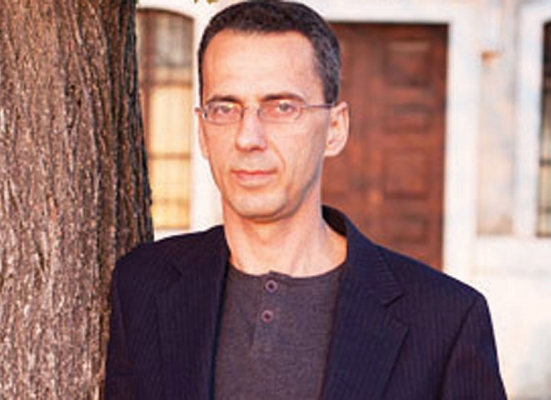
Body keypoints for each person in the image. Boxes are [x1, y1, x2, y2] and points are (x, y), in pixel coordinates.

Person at [104, 0, 507, 398]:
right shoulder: (142, 287)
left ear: (335, 129)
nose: (248, 138)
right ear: (202, 130)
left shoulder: (446, 321)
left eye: (282, 107)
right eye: (225, 108)